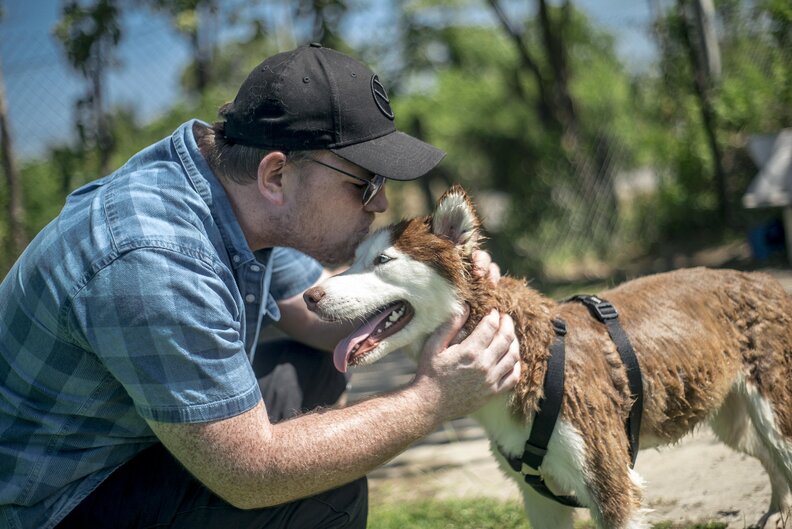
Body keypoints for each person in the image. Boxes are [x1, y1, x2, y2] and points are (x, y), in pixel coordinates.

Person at [0, 43, 520, 529]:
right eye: (364, 184)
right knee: (319, 493)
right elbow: (250, 474)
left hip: (134, 448)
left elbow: (319, 317)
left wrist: (435, 296)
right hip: (54, 505)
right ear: (276, 176)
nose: (380, 205)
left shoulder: (235, 198)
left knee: (316, 364)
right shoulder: (156, 260)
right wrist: (430, 399)